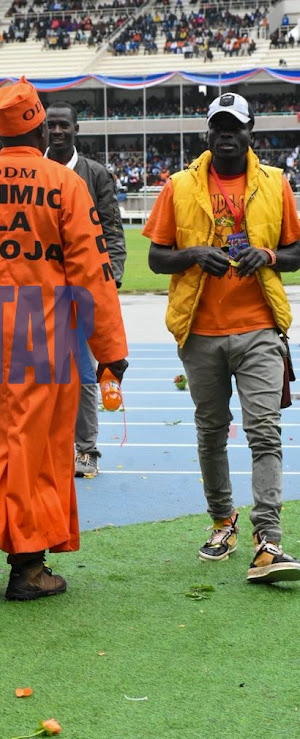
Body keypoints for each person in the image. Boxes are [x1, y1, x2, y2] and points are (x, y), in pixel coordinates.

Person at [0, 77, 128, 601]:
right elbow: (93, 273)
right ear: (40, 125)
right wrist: (111, 351)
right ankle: (29, 566)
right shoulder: (65, 183)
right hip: (44, 330)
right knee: (36, 449)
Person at [143, 92, 300, 584]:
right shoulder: (179, 186)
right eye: (219, 126)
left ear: (252, 132)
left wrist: (268, 256)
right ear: (207, 133)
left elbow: (296, 251)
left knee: (264, 431)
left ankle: (268, 537)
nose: (227, 134)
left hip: (258, 327)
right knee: (211, 433)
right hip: (200, 331)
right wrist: (192, 254)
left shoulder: (277, 183)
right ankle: (222, 521)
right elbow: (155, 259)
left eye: (236, 126)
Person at [46, 101, 126, 478]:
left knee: (82, 372)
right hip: (39, 291)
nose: (58, 131)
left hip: (85, 290)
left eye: (64, 125)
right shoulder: (35, 171)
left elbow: (112, 230)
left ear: (77, 128)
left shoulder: (95, 174)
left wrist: (113, 279)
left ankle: (86, 450)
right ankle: (47, 447)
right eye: (52, 126)